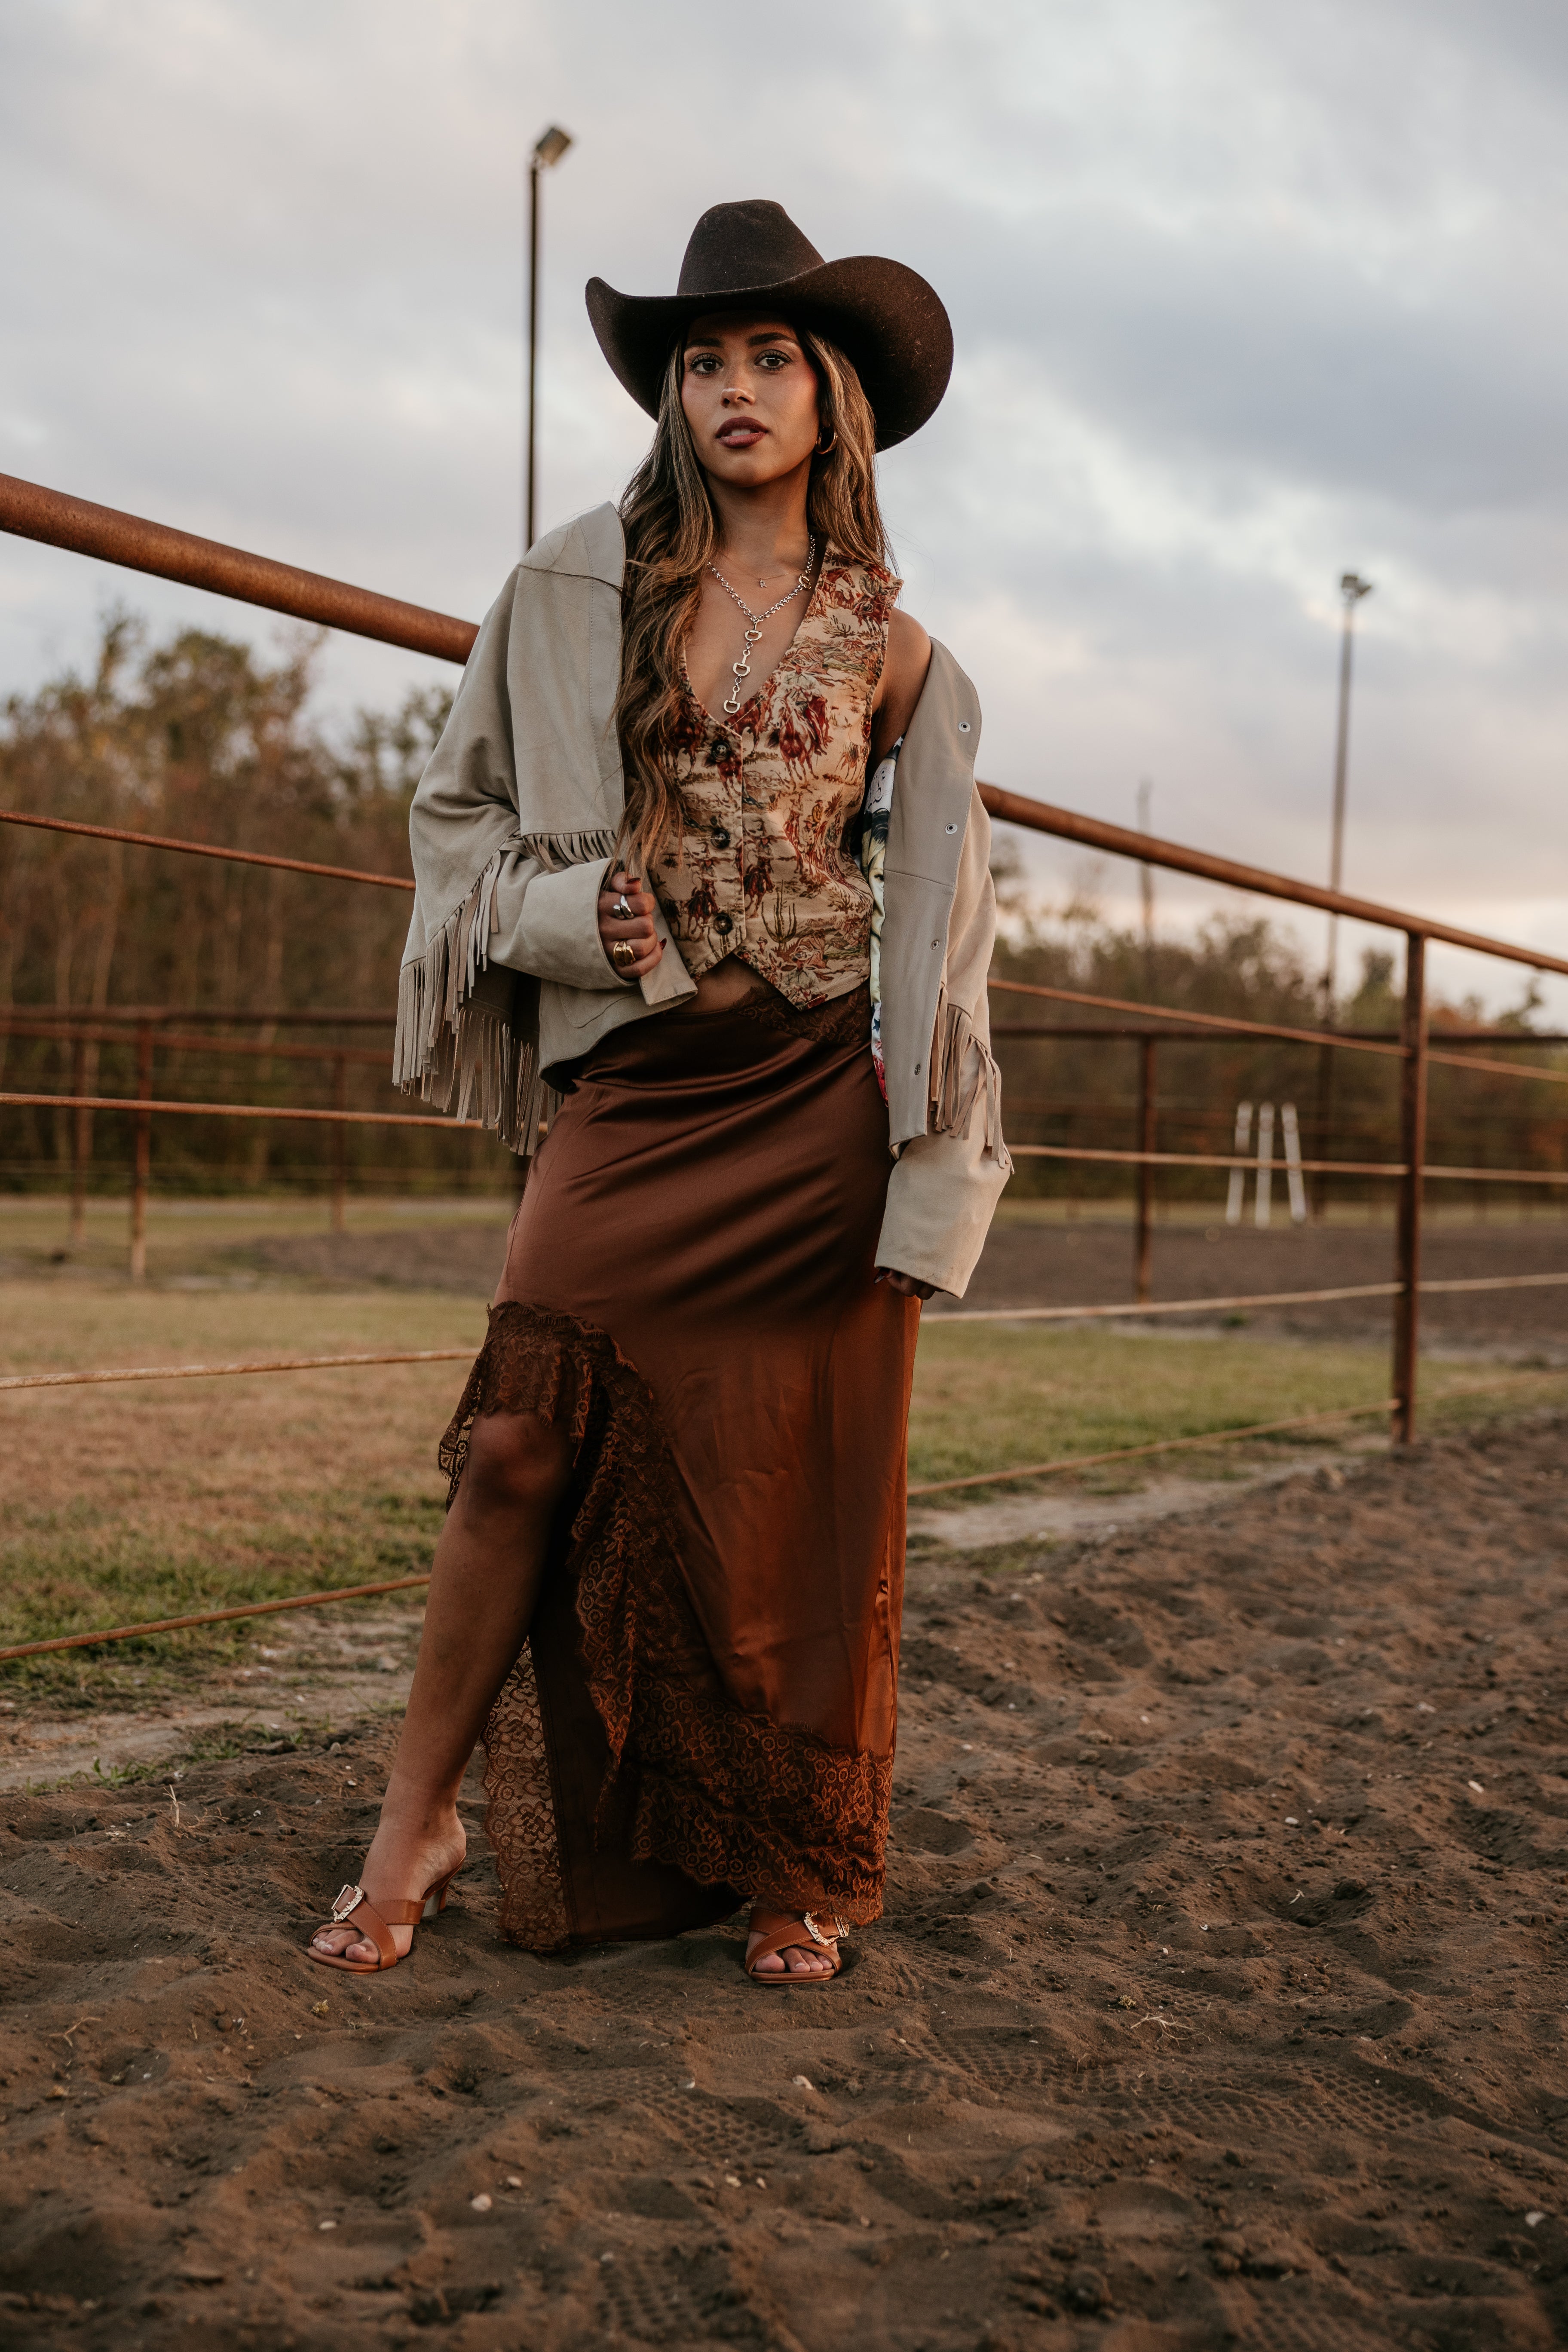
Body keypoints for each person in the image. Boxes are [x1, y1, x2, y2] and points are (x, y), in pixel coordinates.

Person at [307, 200, 1010, 1985]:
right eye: (705, 360)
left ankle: (789, 1854)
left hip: (816, 1100)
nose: (735, 388)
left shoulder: (905, 656)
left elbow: (949, 953)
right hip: (637, 1085)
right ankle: (420, 1815)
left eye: (772, 355)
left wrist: (932, 1184)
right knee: (518, 1441)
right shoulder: (565, 589)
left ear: (832, 396)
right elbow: (450, 824)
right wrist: (561, 912)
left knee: (801, 1485)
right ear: (673, 397)